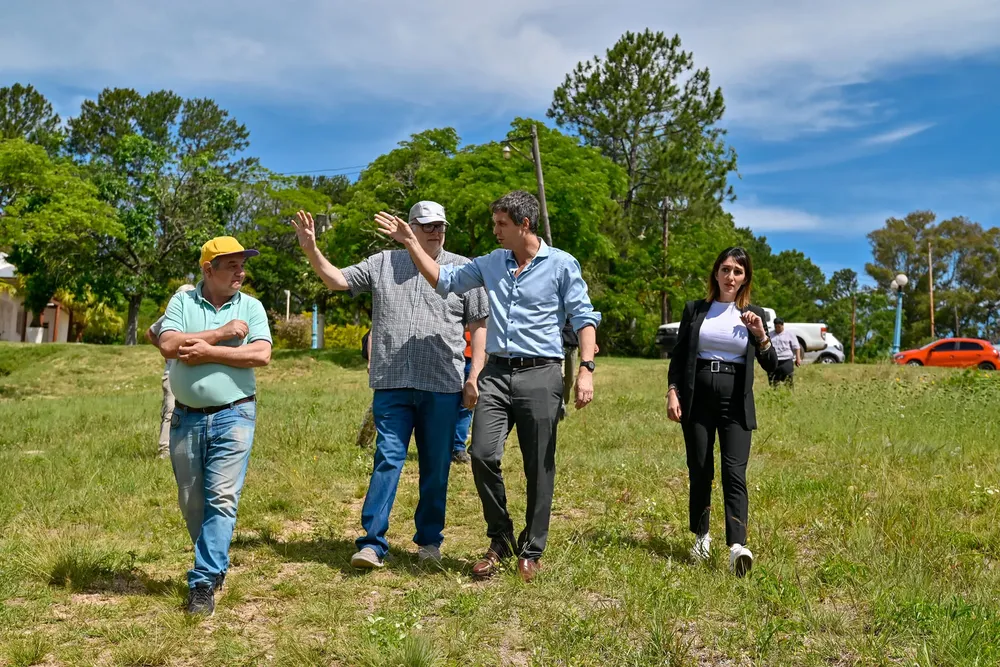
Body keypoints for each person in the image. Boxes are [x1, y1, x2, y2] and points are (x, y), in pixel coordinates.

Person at [376, 190, 600, 583]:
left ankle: (531, 550)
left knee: (538, 465)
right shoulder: (490, 263)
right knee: (481, 453)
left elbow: (583, 316)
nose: (494, 231)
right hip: (495, 373)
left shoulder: (561, 265)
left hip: (542, 373)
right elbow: (443, 281)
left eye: (501, 224)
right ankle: (500, 537)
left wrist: (586, 369)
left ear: (524, 225)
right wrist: (412, 242)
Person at [292, 201, 488, 570]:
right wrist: (311, 249)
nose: (435, 232)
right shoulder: (382, 262)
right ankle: (371, 543)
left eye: (440, 226)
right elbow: (336, 281)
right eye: (426, 225)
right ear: (409, 227)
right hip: (393, 381)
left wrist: (473, 376)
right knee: (388, 459)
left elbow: (479, 327)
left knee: (435, 466)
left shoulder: (464, 268)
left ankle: (430, 541)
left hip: (443, 381)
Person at [156, 236, 272, 616]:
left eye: (243, 264)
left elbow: (260, 354)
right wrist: (220, 336)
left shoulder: (251, 307)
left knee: (221, 497)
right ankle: (215, 560)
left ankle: (203, 581)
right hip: (186, 417)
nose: (241, 271)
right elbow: (169, 344)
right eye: (232, 265)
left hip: (234, 414)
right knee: (192, 503)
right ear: (208, 270)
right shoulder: (183, 302)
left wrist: (206, 353)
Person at [665, 246, 777, 578]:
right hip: (696, 397)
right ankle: (701, 537)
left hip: (735, 402)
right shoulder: (696, 310)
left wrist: (760, 336)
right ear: (716, 273)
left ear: (745, 279)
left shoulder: (754, 315)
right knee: (700, 468)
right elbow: (679, 355)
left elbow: (773, 367)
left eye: (738, 272)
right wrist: (673, 392)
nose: (731, 276)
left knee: (734, 473)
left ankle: (737, 547)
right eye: (726, 269)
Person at [146, 283, 196, 458]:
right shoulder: (169, 317)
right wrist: (165, 350)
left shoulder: (198, 316)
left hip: (193, 373)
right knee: (170, 409)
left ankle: (187, 448)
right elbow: (151, 333)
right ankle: (164, 449)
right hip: (172, 372)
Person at [451, 328, 474, 464]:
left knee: (467, 404)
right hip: (450, 351)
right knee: (445, 401)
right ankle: (442, 446)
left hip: (472, 354)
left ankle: (458, 448)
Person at [768, 318, 801, 387]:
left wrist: (798, 358)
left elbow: (797, 347)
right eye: (776, 327)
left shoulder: (789, 334)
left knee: (788, 380)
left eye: (779, 327)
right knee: (773, 380)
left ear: (783, 325)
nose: (777, 328)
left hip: (786, 360)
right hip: (774, 360)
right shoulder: (770, 335)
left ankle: (789, 394)